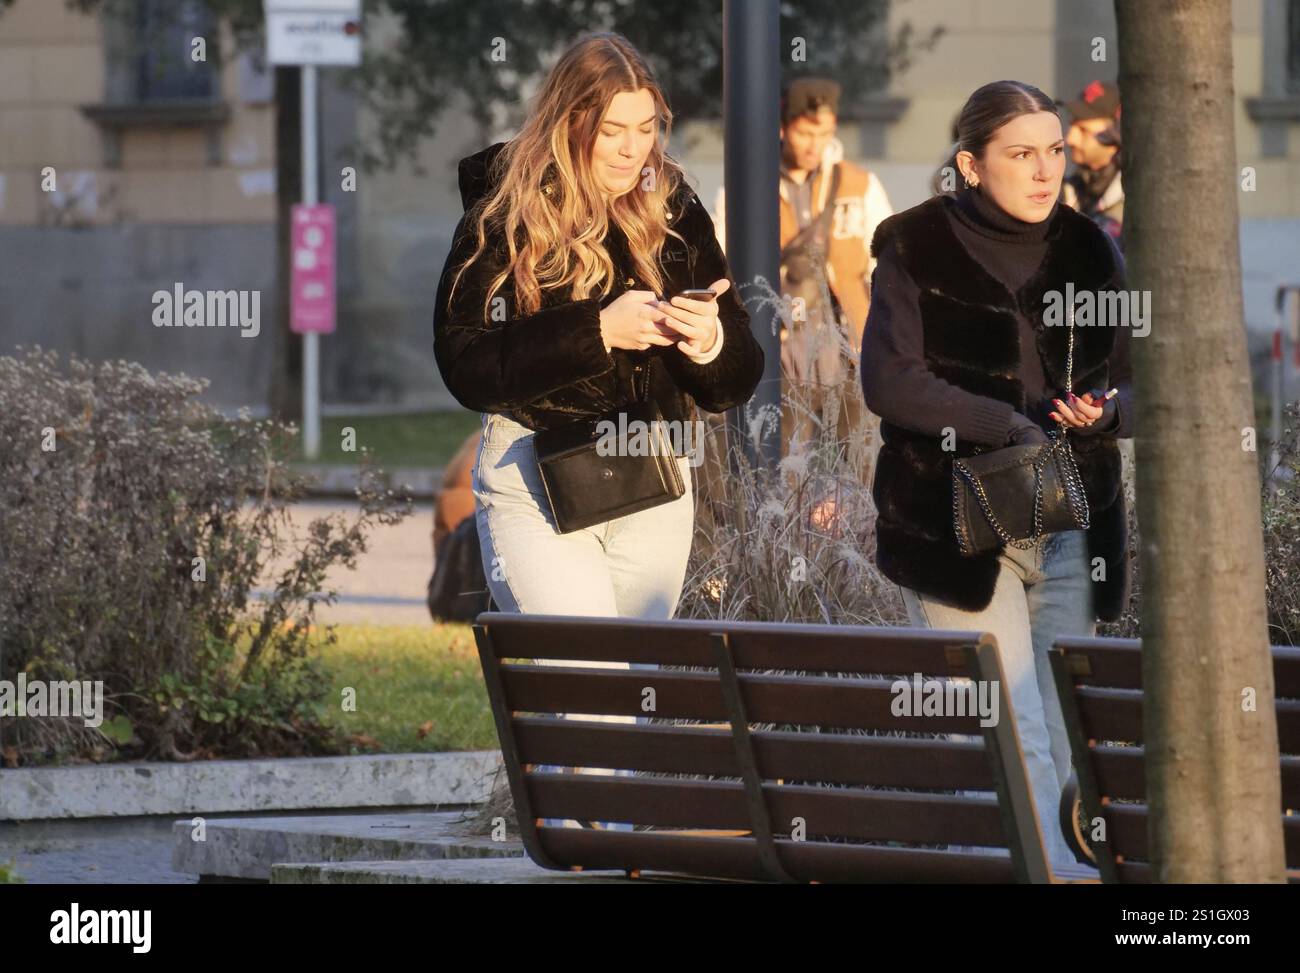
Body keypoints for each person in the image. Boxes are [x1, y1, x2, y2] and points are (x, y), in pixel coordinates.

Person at [432, 32, 764, 831]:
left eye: (645, 128)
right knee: (589, 693)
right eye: (612, 131)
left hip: (651, 475)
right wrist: (598, 330)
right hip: (533, 478)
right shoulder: (505, 207)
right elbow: (466, 361)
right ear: (569, 123)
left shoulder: (672, 205)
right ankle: (595, 847)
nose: (631, 150)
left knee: (626, 701)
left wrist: (707, 339)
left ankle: (593, 843)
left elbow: (738, 373)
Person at [860, 80, 1134, 870]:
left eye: (1054, 150)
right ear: (971, 166)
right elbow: (891, 381)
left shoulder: (1090, 248)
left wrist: (1106, 412)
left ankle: (1058, 864)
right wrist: (1003, 421)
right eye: (1022, 154)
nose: (1045, 170)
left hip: (1073, 516)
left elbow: (1136, 378)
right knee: (1012, 719)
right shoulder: (912, 246)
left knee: (1066, 724)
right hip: (954, 522)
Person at [714, 77, 893, 491]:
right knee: (782, 476)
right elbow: (727, 264)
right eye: (805, 132)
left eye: (824, 133)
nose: (815, 143)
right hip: (782, 353)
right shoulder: (747, 185)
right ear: (782, 126)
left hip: (851, 352)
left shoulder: (858, 183)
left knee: (871, 471)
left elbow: (886, 263)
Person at [1060, 80, 1124, 248]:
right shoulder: (1071, 191)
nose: (1069, 139)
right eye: (1071, 126)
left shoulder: (1137, 200)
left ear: (1116, 134)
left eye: (1083, 130)